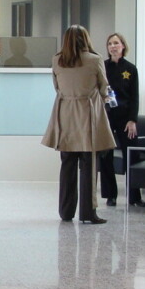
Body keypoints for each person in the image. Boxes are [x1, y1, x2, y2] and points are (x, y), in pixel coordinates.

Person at [41, 25, 115, 224]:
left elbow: (56, 87)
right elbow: (103, 86)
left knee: (67, 164)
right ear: (85, 39)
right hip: (87, 114)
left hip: (65, 114)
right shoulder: (94, 60)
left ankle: (66, 212)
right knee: (89, 164)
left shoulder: (57, 60)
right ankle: (88, 213)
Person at [98, 33, 142, 207]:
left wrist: (132, 120)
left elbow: (135, 97)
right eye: (110, 43)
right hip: (107, 116)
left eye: (116, 43)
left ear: (123, 46)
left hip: (125, 118)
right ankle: (110, 195)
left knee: (131, 155)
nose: (112, 46)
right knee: (105, 154)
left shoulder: (130, 69)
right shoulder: (102, 67)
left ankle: (134, 197)